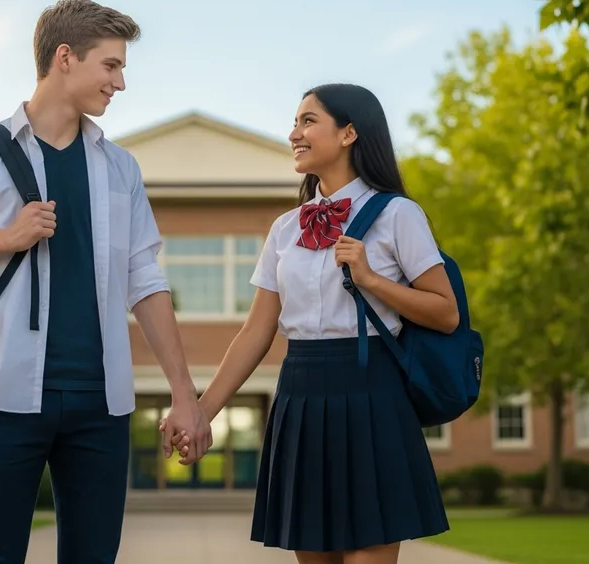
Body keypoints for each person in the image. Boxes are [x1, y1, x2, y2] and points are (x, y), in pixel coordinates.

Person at [0, 0, 211, 564]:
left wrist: (185, 396)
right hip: (4, 395)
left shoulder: (120, 169)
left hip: (102, 404)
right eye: (111, 66)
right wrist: (5, 238)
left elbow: (146, 280)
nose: (119, 82)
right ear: (65, 57)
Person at [163, 83, 458, 564]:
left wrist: (371, 280)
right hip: (300, 398)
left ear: (349, 133)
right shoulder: (285, 228)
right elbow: (256, 332)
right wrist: (202, 411)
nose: (293, 133)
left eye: (307, 121)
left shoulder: (398, 214)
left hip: (372, 395)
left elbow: (445, 313)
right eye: (295, 122)